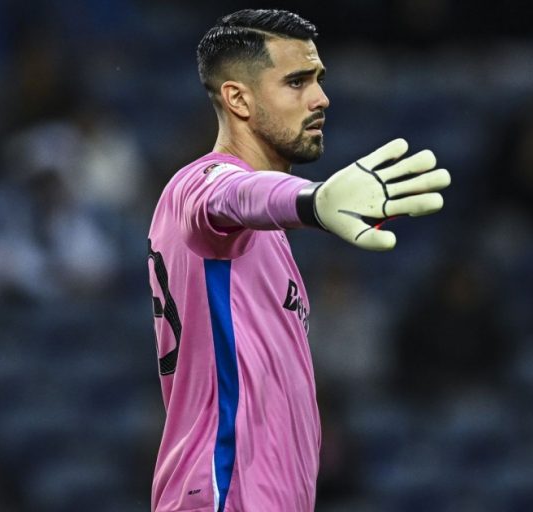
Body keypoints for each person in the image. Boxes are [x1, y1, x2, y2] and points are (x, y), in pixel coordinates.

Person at [146, 9, 450, 512]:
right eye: (296, 82)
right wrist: (312, 201)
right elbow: (233, 195)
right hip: (224, 495)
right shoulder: (199, 184)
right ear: (238, 99)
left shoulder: (261, 238)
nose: (321, 98)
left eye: (319, 79)